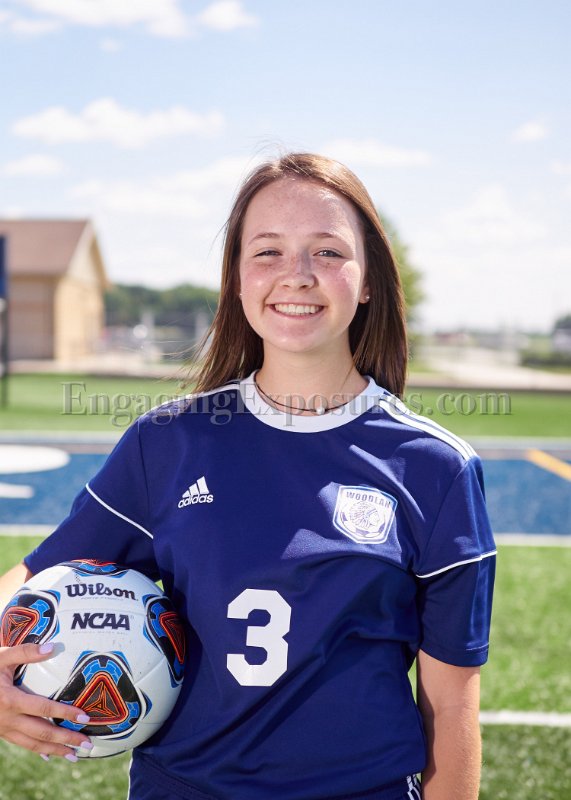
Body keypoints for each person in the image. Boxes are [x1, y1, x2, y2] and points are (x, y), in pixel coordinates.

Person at [0, 152, 495, 800]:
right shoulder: (165, 443)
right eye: (267, 252)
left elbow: (451, 708)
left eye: (327, 252)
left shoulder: (436, 468)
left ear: (368, 280)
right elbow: (36, 576)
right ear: (236, 280)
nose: (297, 275)